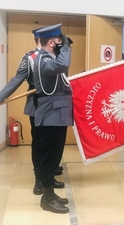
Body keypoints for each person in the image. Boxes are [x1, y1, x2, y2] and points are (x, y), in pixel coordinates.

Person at [0, 27, 63, 196]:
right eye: (56, 39)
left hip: (55, 108)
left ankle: (48, 177)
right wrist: (0, 97)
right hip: (37, 107)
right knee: (39, 145)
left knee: (52, 145)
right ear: (41, 39)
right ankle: (39, 180)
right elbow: (17, 80)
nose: (58, 42)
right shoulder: (31, 58)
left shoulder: (56, 56)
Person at [33, 23, 73, 214]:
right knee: (50, 159)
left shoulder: (49, 57)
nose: (61, 41)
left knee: (54, 157)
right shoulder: (43, 59)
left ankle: (49, 196)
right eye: (59, 39)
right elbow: (63, 65)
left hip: (56, 115)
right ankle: (48, 199)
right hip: (50, 115)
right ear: (51, 42)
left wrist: (64, 47)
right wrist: (66, 47)